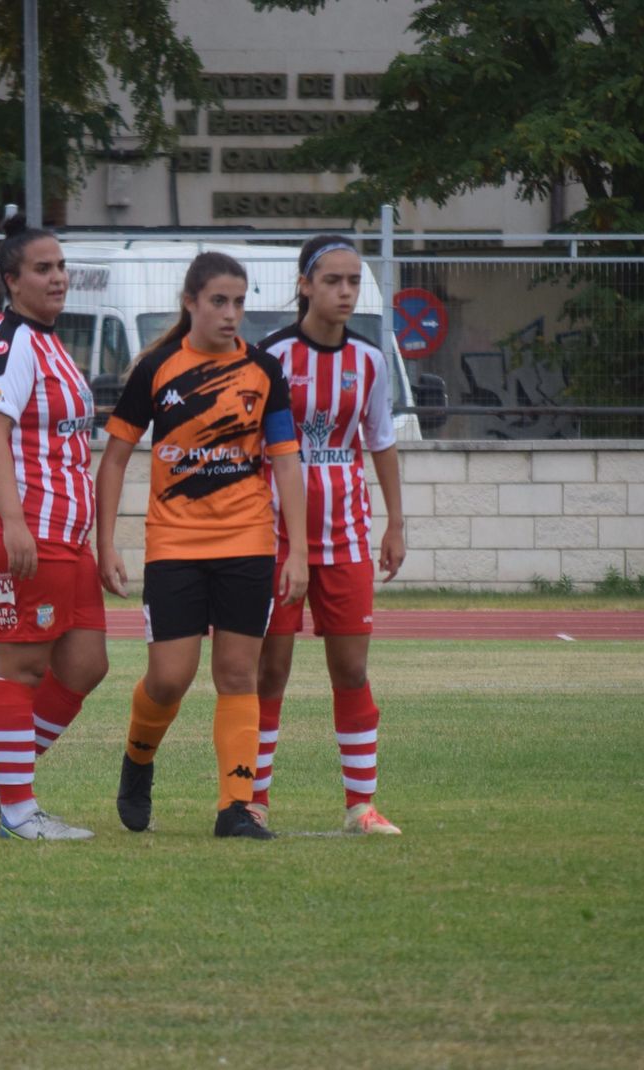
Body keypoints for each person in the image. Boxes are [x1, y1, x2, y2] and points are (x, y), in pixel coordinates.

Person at [96, 251, 308, 840]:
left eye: (240, 302)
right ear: (191, 302)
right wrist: (105, 543)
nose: (231, 313)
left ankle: (235, 808)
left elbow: (288, 464)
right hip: (174, 544)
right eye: (219, 300)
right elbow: (114, 459)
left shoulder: (265, 373)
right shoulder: (156, 369)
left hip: (248, 541)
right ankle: (138, 762)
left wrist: (298, 552)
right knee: (169, 678)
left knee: (239, 675)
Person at [251, 235, 406, 836]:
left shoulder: (368, 360)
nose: (345, 292)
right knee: (271, 672)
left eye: (353, 281)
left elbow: (381, 441)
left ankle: (360, 807)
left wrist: (395, 521)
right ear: (304, 285)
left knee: (351, 670)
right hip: (273, 539)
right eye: (333, 281)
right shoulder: (271, 357)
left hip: (345, 538)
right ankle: (253, 798)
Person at [0, 213, 108, 841]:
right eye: (42, 269)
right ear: (11, 281)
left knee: (85, 666)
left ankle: (1, 777)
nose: (58, 278)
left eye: (61, 267)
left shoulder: (49, 341)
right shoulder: (8, 344)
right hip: (24, 533)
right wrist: (14, 522)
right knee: (18, 669)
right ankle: (19, 813)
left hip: (64, 536)